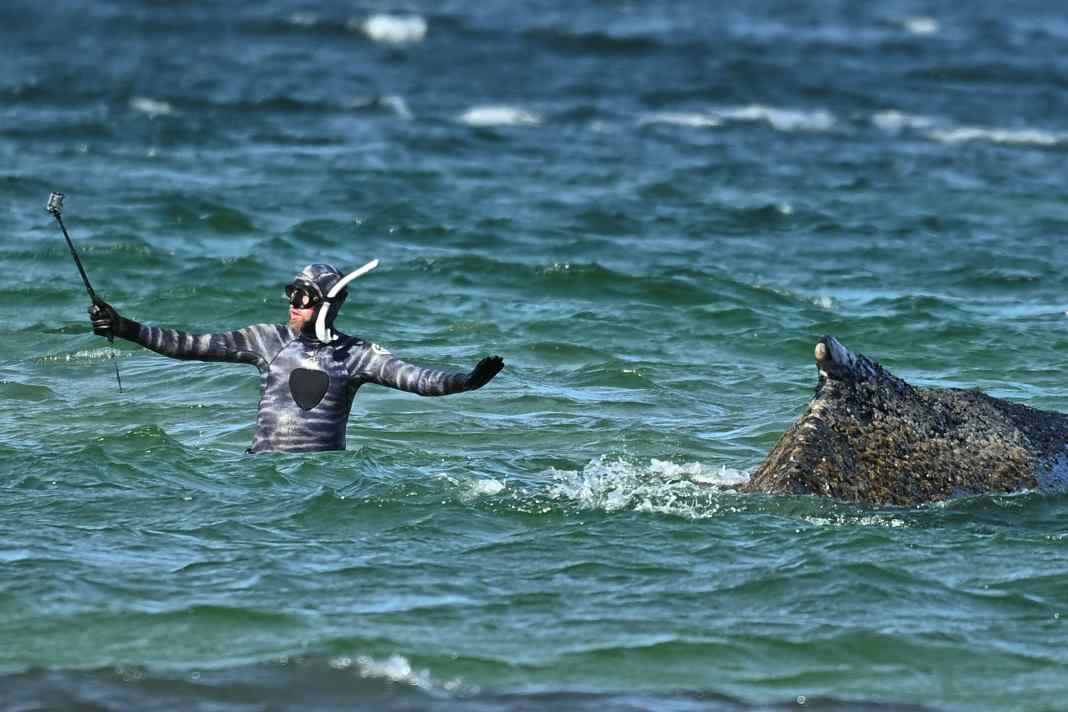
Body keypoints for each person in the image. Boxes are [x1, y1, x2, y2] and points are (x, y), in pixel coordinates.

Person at [88, 263, 504, 453]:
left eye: (303, 297)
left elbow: (416, 379)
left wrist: (466, 382)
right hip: (261, 472)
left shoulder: (356, 354)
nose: (293, 304)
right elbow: (189, 345)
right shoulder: (266, 340)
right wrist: (126, 328)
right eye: (291, 294)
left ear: (326, 305)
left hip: (321, 478)